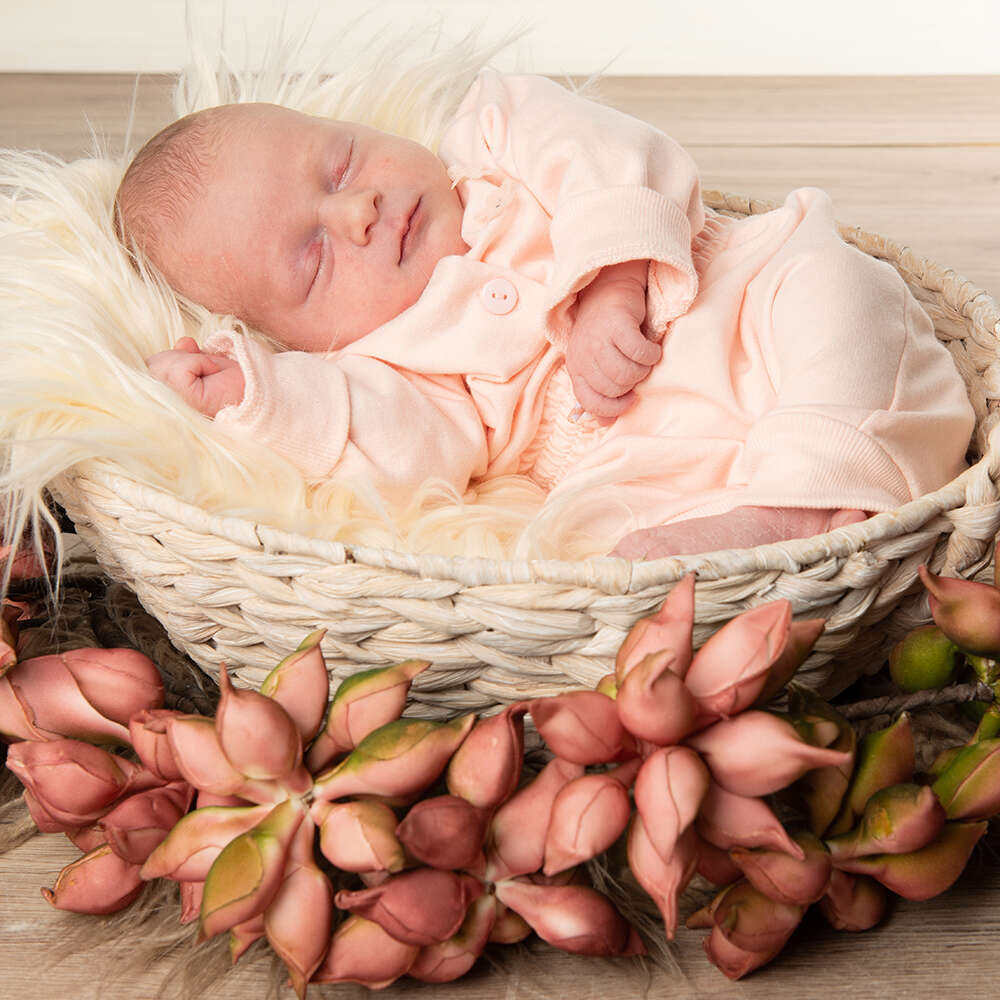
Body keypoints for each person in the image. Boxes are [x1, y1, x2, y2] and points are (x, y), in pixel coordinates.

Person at [114, 71, 974, 559]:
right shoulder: (398, 366)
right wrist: (257, 396)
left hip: (747, 304)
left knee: (838, 288)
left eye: (339, 164)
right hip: (672, 462)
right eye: (313, 257)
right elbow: (394, 455)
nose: (360, 211)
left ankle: (813, 491)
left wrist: (612, 278)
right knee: (615, 550)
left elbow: (606, 150)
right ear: (302, 337)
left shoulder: (496, 139)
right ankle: (777, 527)